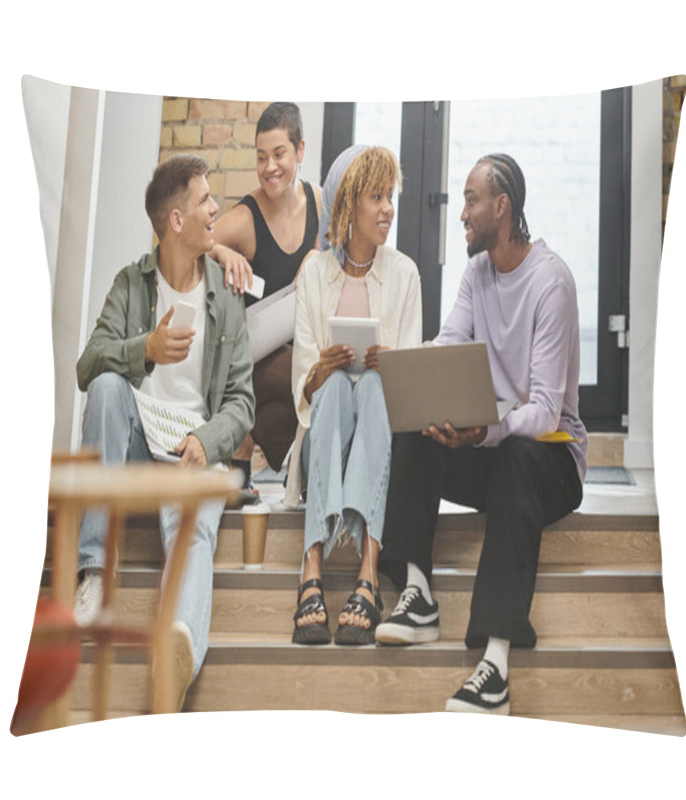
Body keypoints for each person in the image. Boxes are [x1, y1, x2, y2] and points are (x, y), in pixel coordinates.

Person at [376, 154, 588, 714]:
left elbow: (544, 413)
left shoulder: (552, 283)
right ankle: (417, 592)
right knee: (415, 417)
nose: (462, 213)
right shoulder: (477, 273)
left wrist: (483, 432)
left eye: (471, 200)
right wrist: (411, 369)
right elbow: (450, 343)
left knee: (519, 451)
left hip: (551, 461)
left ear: (502, 207)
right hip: (494, 446)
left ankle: (494, 663)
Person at [73, 154, 254, 711]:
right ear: (176, 220)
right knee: (106, 386)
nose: (215, 210)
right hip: (137, 441)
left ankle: (176, 649)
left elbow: (241, 402)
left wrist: (208, 439)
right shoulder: (131, 284)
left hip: (191, 448)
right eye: (205, 200)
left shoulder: (226, 295)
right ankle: (94, 572)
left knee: (192, 522)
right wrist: (143, 350)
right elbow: (88, 365)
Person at [283, 145, 422, 646]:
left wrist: (392, 365)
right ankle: (312, 567)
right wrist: (322, 369)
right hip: (328, 421)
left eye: (391, 197)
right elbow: (304, 386)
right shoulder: (316, 275)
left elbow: (411, 389)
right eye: (376, 197)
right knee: (338, 383)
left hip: (380, 424)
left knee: (379, 385)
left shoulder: (404, 273)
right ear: (347, 205)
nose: (388, 208)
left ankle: (369, 568)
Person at [210, 102, 321, 492]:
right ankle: (258, 460)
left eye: (279, 154)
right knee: (313, 376)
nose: (270, 167)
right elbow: (193, 244)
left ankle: (244, 466)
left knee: (307, 380)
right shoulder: (245, 218)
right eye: (261, 157)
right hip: (249, 359)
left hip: (295, 349)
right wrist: (221, 252)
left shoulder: (319, 203)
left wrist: (317, 259)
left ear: (300, 151)